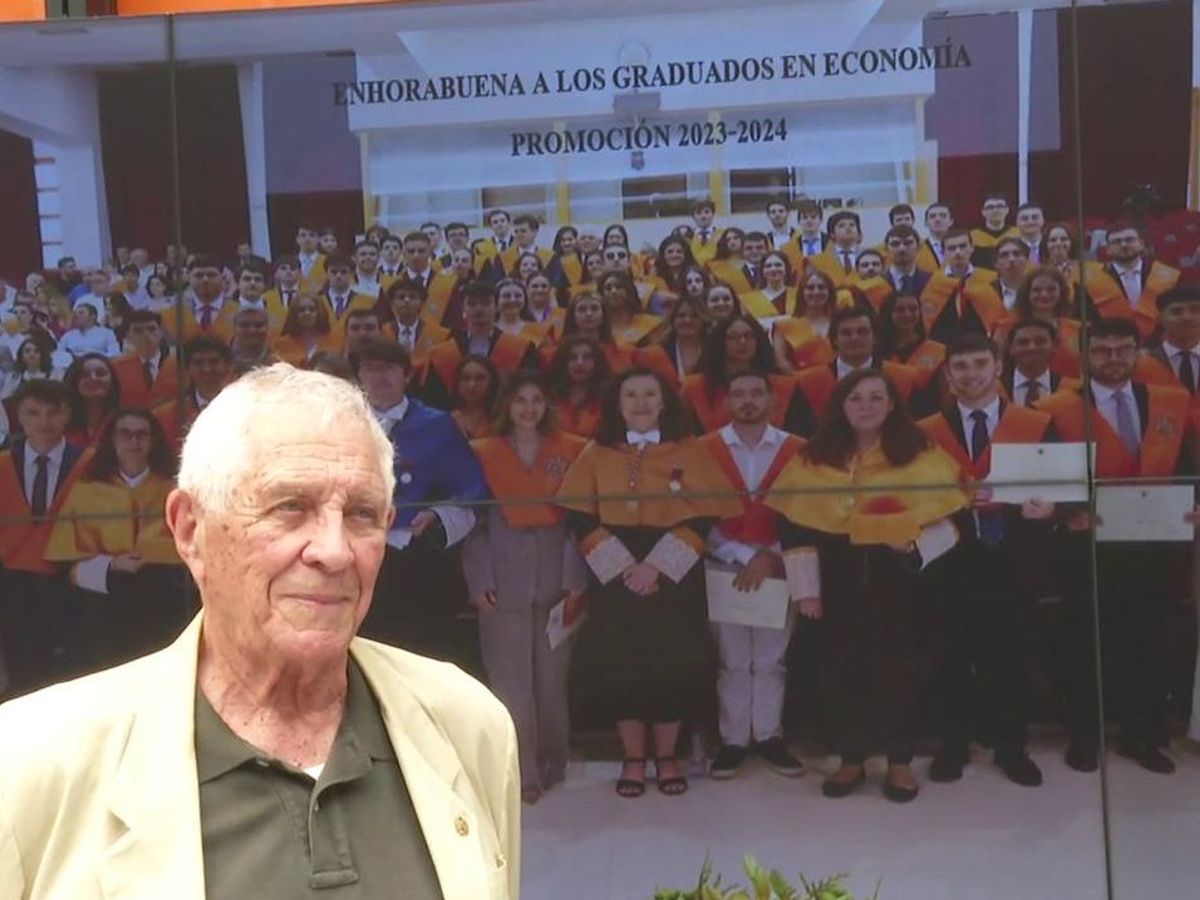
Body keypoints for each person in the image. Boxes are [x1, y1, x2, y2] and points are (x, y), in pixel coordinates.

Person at [0, 363, 520, 898]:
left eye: (362, 514)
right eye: (290, 507)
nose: (335, 551)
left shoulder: (469, 724)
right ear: (189, 529)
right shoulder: (28, 763)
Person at [767, 370, 968, 801]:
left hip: (900, 578)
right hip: (835, 577)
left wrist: (912, 549)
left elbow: (949, 519)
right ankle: (851, 759)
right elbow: (793, 527)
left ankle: (899, 761)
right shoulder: (813, 457)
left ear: (893, 404)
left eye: (877, 397)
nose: (866, 406)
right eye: (856, 397)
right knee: (840, 669)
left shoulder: (921, 453)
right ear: (841, 404)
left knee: (899, 669)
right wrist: (806, 591)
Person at [557, 368, 740, 798]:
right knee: (624, 665)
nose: (640, 403)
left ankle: (668, 755)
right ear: (617, 405)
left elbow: (704, 515)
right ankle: (634, 758)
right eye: (630, 396)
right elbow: (579, 517)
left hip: (674, 573)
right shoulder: (596, 452)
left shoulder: (690, 450)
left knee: (673, 662)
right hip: (614, 573)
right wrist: (625, 568)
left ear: (664, 402)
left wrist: (655, 568)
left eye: (649, 394)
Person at [1039, 318, 1193, 774]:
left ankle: (1142, 734)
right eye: (1103, 350)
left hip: (1153, 544)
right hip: (1086, 545)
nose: (1113, 358)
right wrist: (1069, 514)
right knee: (1085, 641)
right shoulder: (1057, 409)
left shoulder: (1166, 404)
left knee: (1146, 640)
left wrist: (1192, 504)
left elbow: (1186, 466)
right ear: (1085, 355)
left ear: (1138, 352)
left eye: (1123, 350)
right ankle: (1086, 734)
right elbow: (1049, 474)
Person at [918, 333, 1056, 788]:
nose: (971, 374)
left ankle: (1011, 747)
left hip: (1013, 561)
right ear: (948, 374)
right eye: (961, 366)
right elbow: (915, 497)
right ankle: (952, 746)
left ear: (998, 367)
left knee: (1011, 658)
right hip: (950, 562)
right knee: (948, 656)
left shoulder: (1035, 424)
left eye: (980, 364)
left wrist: (1052, 508)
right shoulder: (926, 432)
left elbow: (1064, 483)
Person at [464, 372, 588, 805]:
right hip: (504, 577)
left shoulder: (570, 451)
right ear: (507, 407)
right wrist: (479, 581)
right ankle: (522, 769)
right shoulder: (483, 454)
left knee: (552, 679)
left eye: (537, 399)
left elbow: (579, 525)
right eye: (521, 401)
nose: (529, 409)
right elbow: (473, 527)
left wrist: (576, 580)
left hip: (557, 578)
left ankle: (554, 760)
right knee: (510, 681)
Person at [352, 340, 489, 667]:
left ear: (407, 375)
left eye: (390, 368)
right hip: (354, 557)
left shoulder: (438, 425)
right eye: (371, 368)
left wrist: (436, 516)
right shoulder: (342, 424)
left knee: (422, 654)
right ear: (358, 377)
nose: (381, 376)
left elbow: (473, 489)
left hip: (418, 562)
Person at [700, 371, 806, 779]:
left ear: (772, 400)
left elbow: (803, 514)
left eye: (756, 393)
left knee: (770, 659)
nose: (748, 400)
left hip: (779, 566)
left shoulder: (797, 449)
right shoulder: (705, 449)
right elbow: (698, 512)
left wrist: (769, 558)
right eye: (739, 393)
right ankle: (733, 741)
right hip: (724, 563)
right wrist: (741, 555)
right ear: (727, 401)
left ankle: (768, 736)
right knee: (732, 660)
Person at [44, 408, 186, 671]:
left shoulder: (174, 489)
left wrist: (158, 552)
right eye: (125, 434)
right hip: (102, 606)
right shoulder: (86, 492)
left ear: (153, 440)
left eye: (141, 434)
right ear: (112, 440)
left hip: (163, 602)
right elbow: (65, 565)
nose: (134, 441)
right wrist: (111, 563)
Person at [0, 380, 89, 698]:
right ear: (18, 416)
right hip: (12, 585)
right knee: (21, 674)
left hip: (71, 581)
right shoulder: (2, 462)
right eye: (33, 413)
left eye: (54, 412)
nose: (44, 422)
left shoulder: (89, 462)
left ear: (67, 414)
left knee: (70, 675)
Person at [787, 304, 921, 438]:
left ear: (874, 338)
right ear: (834, 340)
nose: (854, 338)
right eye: (846, 333)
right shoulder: (808, 383)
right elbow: (801, 435)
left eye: (862, 332)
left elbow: (915, 429)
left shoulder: (904, 379)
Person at [423, 281, 539, 408]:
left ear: (497, 307)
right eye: (472, 304)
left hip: (503, 418)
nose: (478, 309)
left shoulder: (521, 348)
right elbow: (433, 398)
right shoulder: (444, 351)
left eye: (486, 303)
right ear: (464, 308)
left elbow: (529, 390)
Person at [680, 313, 799, 433]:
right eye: (733, 337)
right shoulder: (695, 387)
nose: (742, 342)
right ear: (720, 342)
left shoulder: (783, 386)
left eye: (748, 336)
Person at [1084, 222, 1181, 338]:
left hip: (1158, 344)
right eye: (1117, 242)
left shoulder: (1165, 276)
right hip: (1112, 343)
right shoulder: (1092, 280)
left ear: (1141, 244)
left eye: (1129, 240)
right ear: (1108, 250)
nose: (1124, 245)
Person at [920, 228, 1008, 344]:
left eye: (962, 246)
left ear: (972, 248)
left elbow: (997, 318)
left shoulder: (991, 279)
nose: (958, 252)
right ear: (943, 252)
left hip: (981, 343)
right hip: (944, 346)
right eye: (951, 248)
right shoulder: (932, 282)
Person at [153, 336, 234, 453]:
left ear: (228, 366)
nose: (207, 369)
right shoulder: (165, 415)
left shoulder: (247, 408)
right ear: (187, 369)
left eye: (214, 361)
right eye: (198, 363)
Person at [380, 280, 452, 380]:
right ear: (392, 303)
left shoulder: (440, 334)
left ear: (422, 303)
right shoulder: (381, 333)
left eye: (412, 297)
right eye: (401, 297)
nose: (407, 300)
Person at [634, 294, 707, 390]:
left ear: (703, 320)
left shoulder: (714, 350)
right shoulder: (659, 352)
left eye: (695, 316)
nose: (687, 320)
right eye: (681, 316)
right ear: (673, 320)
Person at [878, 291, 946, 394]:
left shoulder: (938, 351)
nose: (907, 314)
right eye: (900, 310)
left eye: (913, 309)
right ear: (888, 313)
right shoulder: (876, 351)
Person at [111, 310, 178, 409]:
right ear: (128, 336)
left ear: (161, 332)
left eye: (152, 329)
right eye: (138, 330)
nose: (146, 334)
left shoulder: (179, 364)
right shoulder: (116, 368)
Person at [546, 335, 609, 438]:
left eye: (587, 358)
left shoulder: (609, 399)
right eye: (572, 358)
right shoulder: (547, 397)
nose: (580, 363)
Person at [558, 290, 636, 373]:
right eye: (582, 309)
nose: (589, 313)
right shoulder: (559, 354)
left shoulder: (626, 351)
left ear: (603, 314)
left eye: (594, 308)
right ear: (573, 317)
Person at [1001, 318, 1065, 404]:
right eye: (1023, 342)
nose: (1032, 347)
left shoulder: (1070, 388)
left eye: (1040, 341)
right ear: (1010, 348)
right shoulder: (995, 387)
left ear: (1054, 346)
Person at [63, 353, 120, 448]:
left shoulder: (123, 422)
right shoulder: (61, 425)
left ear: (112, 381)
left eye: (101, 373)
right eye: (85, 375)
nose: (93, 378)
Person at [274, 294, 339, 368]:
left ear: (320, 313)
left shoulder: (335, 341)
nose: (307, 313)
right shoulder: (282, 344)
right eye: (301, 310)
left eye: (312, 309)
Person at [598, 270, 661, 346]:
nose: (613, 291)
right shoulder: (597, 327)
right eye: (608, 288)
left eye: (619, 287)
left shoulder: (650, 323)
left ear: (629, 291)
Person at [449, 355, 500, 440]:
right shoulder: (447, 421)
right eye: (465, 378)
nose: (472, 385)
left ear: (492, 383)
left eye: (480, 378)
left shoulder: (503, 421)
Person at [0, 335, 61, 402]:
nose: (32, 354)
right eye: (27, 351)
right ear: (21, 355)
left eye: (36, 351)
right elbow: (4, 399)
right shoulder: (13, 377)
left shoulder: (55, 374)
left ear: (42, 354)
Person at [740, 252, 798, 320]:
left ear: (786, 269)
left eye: (778, 265)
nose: (773, 269)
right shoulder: (748, 300)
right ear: (762, 271)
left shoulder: (799, 294)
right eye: (768, 266)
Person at [970, 194, 1017, 269]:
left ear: (1007, 210)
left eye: (1000, 206)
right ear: (983, 212)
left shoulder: (1017, 234)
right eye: (990, 207)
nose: (995, 210)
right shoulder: (973, 236)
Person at [228, 307, 278, 375]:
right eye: (244, 325)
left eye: (258, 325)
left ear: (268, 328)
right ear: (234, 328)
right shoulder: (220, 358)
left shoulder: (279, 359)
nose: (252, 330)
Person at [916, 202, 955, 273]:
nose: (937, 219)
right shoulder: (918, 249)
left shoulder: (962, 247)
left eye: (943, 216)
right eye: (932, 216)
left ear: (951, 221)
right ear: (926, 223)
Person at [688, 198, 723, 265]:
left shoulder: (722, 234)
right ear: (693, 216)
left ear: (712, 214)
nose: (703, 216)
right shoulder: (687, 236)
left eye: (707, 212)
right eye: (698, 213)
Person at [295, 221, 327, 294]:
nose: (307, 239)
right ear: (297, 239)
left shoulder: (329, 261)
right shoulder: (289, 263)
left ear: (319, 239)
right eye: (303, 235)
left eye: (312, 235)